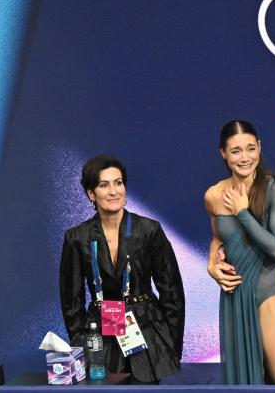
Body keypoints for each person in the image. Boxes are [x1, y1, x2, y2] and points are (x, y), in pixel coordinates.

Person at [205, 120, 275, 385]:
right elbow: (219, 238)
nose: (245, 158)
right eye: (236, 151)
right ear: (223, 153)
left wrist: (243, 212)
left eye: (251, 149)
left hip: (268, 297)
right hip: (233, 300)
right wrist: (211, 263)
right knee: (245, 385)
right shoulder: (213, 195)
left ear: (260, 147)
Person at [60, 155, 185, 383]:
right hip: (100, 335)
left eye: (118, 183)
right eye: (103, 185)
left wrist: (171, 344)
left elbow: (172, 292)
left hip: (148, 334)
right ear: (91, 194)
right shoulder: (76, 238)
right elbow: (71, 301)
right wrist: (81, 344)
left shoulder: (149, 230)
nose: (113, 191)